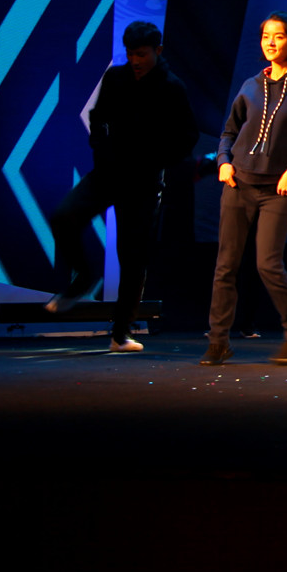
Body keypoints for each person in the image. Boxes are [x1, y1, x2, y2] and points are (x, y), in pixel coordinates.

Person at [43, 21, 198, 351]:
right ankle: (84, 277)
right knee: (64, 216)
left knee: (132, 256)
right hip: (108, 172)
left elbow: (187, 137)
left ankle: (121, 333)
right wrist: (101, 148)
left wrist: (156, 160)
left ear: (157, 50)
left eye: (141, 54)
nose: (135, 60)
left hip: (142, 183)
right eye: (131, 54)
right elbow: (98, 117)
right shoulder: (116, 77)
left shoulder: (172, 87)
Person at [201, 12, 287, 367]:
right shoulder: (250, 85)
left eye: (279, 36)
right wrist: (223, 161)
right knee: (225, 266)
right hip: (239, 182)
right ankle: (218, 342)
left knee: (268, 265)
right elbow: (229, 131)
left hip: (277, 188)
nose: (270, 42)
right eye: (265, 36)